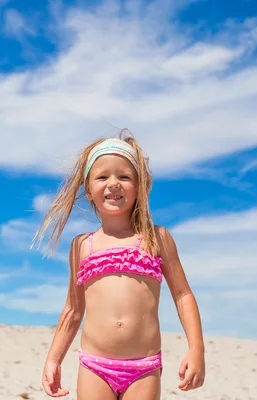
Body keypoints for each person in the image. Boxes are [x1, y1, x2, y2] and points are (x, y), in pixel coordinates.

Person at [32, 130, 205, 399]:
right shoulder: (82, 246)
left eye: (124, 177)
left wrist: (197, 350)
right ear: (88, 190)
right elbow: (74, 309)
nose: (113, 183)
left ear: (140, 187)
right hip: (94, 366)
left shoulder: (155, 238)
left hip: (143, 368)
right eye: (102, 177)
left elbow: (183, 295)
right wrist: (54, 359)